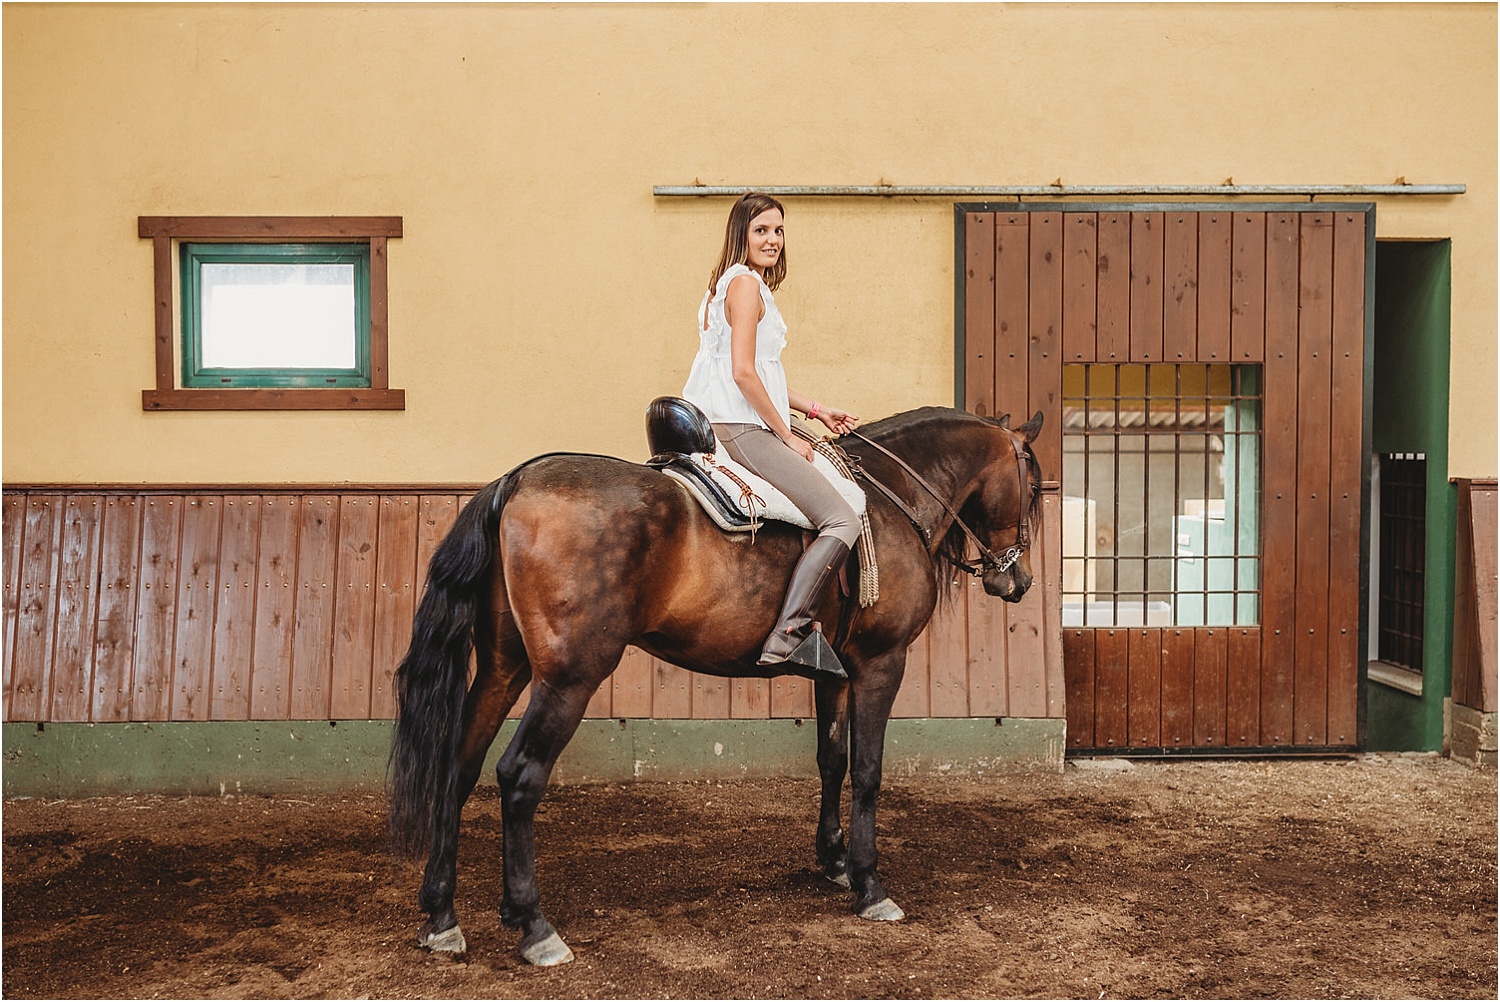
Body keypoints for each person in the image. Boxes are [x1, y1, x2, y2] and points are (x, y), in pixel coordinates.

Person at [682, 192, 861, 679]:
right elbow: (743, 375)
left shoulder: (732, 283)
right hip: (741, 428)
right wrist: (787, 435)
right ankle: (789, 635)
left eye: (779, 231)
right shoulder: (744, 286)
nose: (773, 240)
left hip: (732, 418)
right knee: (842, 519)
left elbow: (759, 372)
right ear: (741, 234)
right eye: (761, 230)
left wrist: (817, 410)